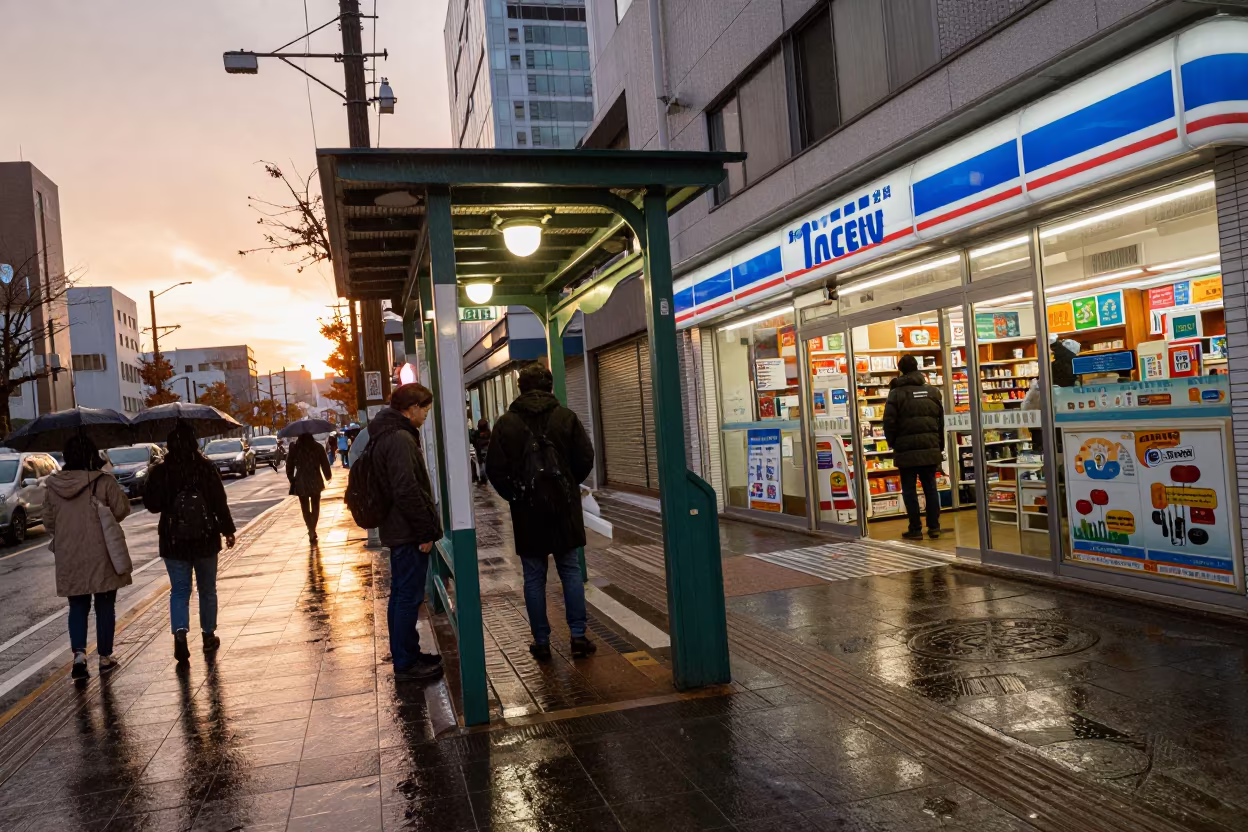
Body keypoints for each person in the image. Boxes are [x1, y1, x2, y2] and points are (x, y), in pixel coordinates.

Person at [487, 365, 596, 660]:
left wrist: (515, 495)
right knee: (570, 571)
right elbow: (586, 457)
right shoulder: (566, 417)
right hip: (564, 509)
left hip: (527, 512)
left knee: (534, 577)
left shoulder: (506, 423)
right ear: (549, 387)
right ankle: (578, 636)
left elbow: (494, 468)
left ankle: (542, 641)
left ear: (520, 388)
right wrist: (568, 486)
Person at [368, 383, 444, 681]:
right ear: (411, 408)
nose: (425, 414)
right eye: (424, 408)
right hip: (406, 532)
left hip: (398, 529)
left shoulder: (387, 434)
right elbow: (407, 489)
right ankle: (406, 663)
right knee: (407, 597)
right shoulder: (400, 439)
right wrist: (425, 531)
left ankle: (407, 655)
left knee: (402, 596)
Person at [144, 422, 237, 662]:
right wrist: (227, 530)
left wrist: (154, 477)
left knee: (180, 591)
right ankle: (208, 635)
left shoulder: (162, 471)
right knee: (207, 589)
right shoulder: (205, 468)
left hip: (173, 540)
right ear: (194, 442)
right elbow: (219, 501)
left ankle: (180, 634)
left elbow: (152, 505)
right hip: (205, 538)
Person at [45, 435, 132, 680]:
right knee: (105, 604)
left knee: (77, 605)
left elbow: (48, 521)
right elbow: (122, 509)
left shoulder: (54, 486)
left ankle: (80, 655)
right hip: (101, 552)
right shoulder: (103, 482)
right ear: (93, 455)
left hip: (69, 554)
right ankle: (104, 657)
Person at [883, 354, 945, 541]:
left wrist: (893, 443)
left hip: (906, 450)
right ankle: (934, 527)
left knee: (909, 490)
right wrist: (939, 445)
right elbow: (941, 422)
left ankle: (915, 529)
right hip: (930, 449)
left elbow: (889, 423)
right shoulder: (933, 392)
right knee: (930, 489)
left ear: (900, 370)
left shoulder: (896, 394)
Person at [287, 433, 332, 543]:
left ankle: (310, 529)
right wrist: (328, 476)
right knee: (316, 506)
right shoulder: (317, 447)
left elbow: (289, 465)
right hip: (315, 479)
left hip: (301, 480)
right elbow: (325, 463)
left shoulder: (295, 448)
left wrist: (291, 478)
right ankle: (313, 529)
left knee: (305, 507)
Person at [471, 418, 491, 485]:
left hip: (480, 450)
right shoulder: (488, 432)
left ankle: (483, 478)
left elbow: (472, 439)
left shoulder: (477, 433)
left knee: (481, 464)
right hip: (486, 450)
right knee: (485, 463)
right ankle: (484, 477)